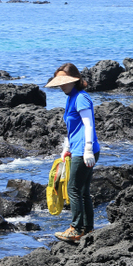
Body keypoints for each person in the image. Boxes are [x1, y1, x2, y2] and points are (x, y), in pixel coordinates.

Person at [45, 63, 100, 243]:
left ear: (75, 80)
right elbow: (72, 127)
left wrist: (88, 150)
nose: (61, 85)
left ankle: (76, 229)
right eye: (59, 82)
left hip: (84, 151)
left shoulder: (81, 98)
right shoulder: (71, 97)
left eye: (64, 82)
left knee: (73, 189)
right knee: (83, 191)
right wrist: (66, 148)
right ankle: (88, 229)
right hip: (76, 150)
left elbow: (88, 124)